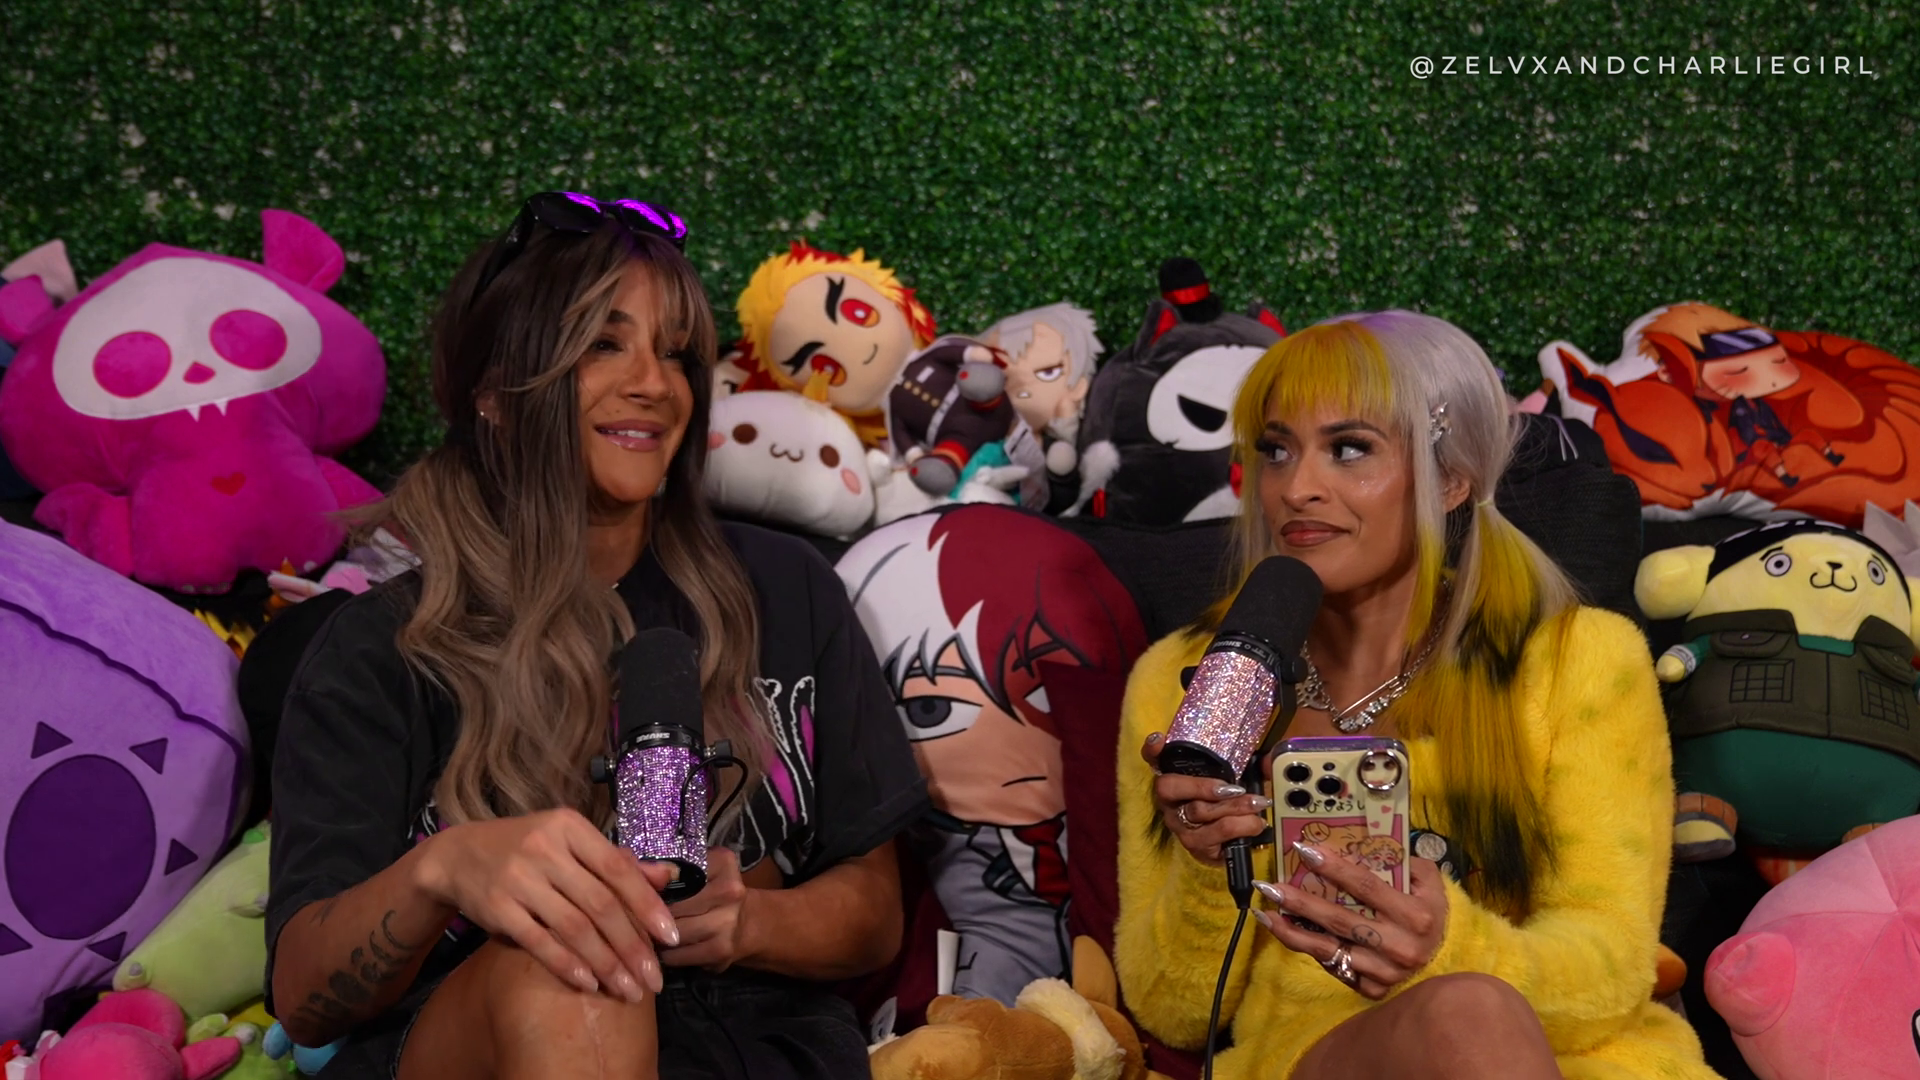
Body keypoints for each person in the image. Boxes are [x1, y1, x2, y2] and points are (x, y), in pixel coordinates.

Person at [265, 192, 928, 1080]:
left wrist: (749, 922)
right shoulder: (383, 647)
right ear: (495, 394)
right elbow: (305, 996)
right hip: (482, 1044)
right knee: (576, 963)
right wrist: (446, 870)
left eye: (676, 352)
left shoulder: (784, 586)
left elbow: (874, 912)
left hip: (756, 1048)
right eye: (602, 345)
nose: (655, 383)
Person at [1114, 311, 1719, 1079]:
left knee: (1472, 1012)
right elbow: (1170, 1008)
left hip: (1582, 1057)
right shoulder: (1192, 679)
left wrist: (1449, 948)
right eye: (1276, 450)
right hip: (1321, 1054)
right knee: (1465, 1015)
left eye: (1349, 448)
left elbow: (1612, 968)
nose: (1297, 488)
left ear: (1452, 479)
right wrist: (1209, 863)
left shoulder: (1581, 661)